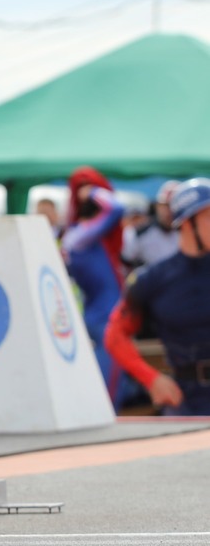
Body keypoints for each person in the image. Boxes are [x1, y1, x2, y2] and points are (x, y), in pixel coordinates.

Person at [104, 178, 210, 415]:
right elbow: (115, 335)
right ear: (187, 223)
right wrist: (151, 378)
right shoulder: (153, 280)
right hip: (186, 404)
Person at [62, 166, 129, 408]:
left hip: (99, 313)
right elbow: (117, 208)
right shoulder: (81, 235)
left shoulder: (78, 236)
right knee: (109, 391)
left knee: (114, 380)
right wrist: (92, 192)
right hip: (105, 317)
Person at [122, 180, 179, 271]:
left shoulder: (189, 233)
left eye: (173, 205)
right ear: (157, 206)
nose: (169, 211)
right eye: (165, 205)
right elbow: (123, 264)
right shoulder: (138, 232)